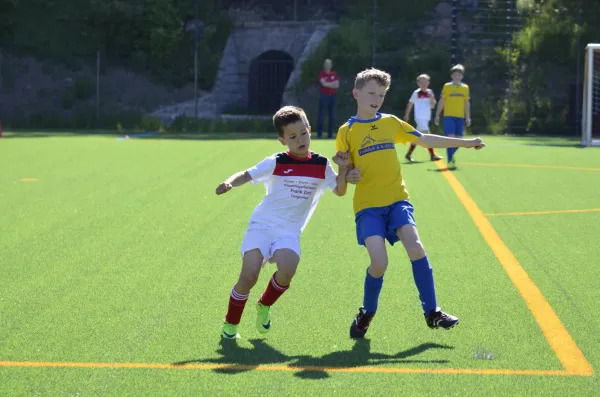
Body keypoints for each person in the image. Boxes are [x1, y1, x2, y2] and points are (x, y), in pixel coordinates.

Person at [335, 68, 485, 339]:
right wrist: (349, 173)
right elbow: (343, 181)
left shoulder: (392, 122)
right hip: (368, 207)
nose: (377, 98)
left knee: (415, 247)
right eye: (371, 93)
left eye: (381, 94)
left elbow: (425, 139)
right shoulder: (346, 132)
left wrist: (465, 143)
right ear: (356, 93)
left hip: (397, 201)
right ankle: (367, 312)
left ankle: (433, 312)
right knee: (379, 263)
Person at [216, 106, 360, 339]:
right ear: (282, 140)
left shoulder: (321, 164)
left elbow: (340, 190)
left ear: (309, 130)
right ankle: (230, 323)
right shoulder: (276, 161)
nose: (300, 139)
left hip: (289, 230)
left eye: (303, 133)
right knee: (249, 275)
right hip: (262, 225)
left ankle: (264, 305)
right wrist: (229, 182)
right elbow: (246, 173)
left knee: (288, 268)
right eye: (293, 137)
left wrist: (343, 167)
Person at [434, 64, 471, 169]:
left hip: (460, 117)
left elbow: (466, 103)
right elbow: (442, 101)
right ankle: (450, 160)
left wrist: (467, 117)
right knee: (450, 138)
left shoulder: (465, 88)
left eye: (459, 75)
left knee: (459, 140)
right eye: (455, 74)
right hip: (448, 116)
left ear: (462, 76)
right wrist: (437, 115)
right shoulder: (447, 86)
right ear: (452, 76)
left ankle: (451, 154)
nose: (457, 77)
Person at [403, 74, 443, 163]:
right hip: (419, 118)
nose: (423, 84)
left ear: (428, 83)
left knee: (416, 138)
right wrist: (407, 115)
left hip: (426, 118)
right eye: (421, 82)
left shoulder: (430, 92)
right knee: (427, 136)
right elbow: (410, 104)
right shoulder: (416, 93)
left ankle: (408, 154)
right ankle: (432, 155)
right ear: (418, 83)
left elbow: (432, 105)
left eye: (425, 82)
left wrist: (432, 97)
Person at [317, 59, 339, 139]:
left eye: (329, 64)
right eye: (326, 64)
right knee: (322, 115)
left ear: (331, 65)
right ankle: (319, 134)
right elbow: (323, 84)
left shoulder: (334, 74)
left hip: (332, 96)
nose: (327, 65)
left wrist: (328, 84)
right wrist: (331, 84)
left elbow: (337, 85)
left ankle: (330, 134)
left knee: (332, 116)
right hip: (324, 96)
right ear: (324, 65)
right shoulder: (322, 74)